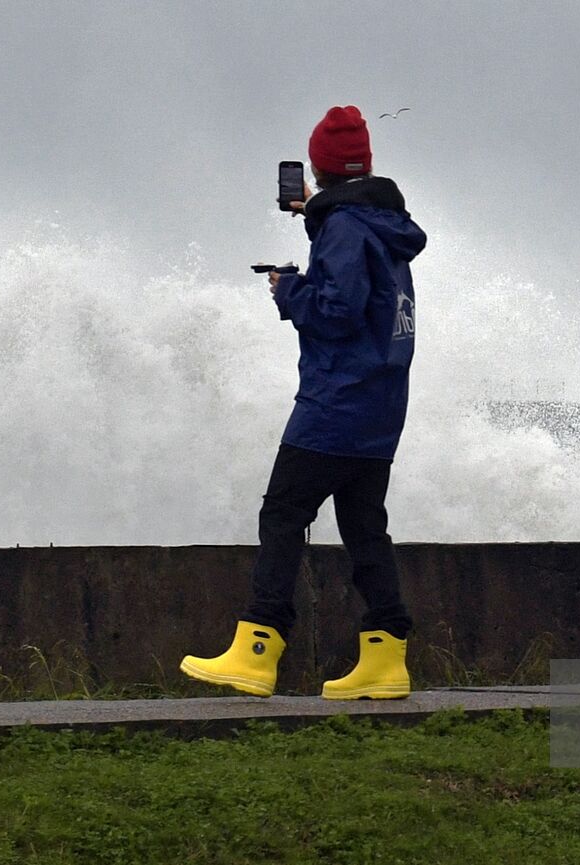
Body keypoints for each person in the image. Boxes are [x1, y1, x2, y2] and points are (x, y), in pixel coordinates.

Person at [180, 105, 426, 699]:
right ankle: (386, 659)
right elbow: (363, 295)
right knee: (365, 529)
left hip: (333, 407)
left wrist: (289, 290)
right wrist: (317, 214)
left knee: (283, 516)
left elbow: (337, 314)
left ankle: (257, 651)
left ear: (318, 167)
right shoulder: (380, 226)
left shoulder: (343, 228)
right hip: (380, 409)